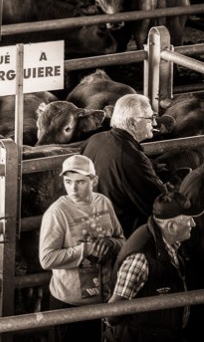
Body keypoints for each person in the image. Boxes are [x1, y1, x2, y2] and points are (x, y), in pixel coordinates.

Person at [40, 154, 125, 342]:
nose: (73, 189)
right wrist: (85, 250)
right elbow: (46, 259)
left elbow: (121, 239)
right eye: (68, 182)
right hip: (70, 303)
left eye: (80, 182)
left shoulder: (103, 202)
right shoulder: (57, 213)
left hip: (104, 298)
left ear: (93, 181)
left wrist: (111, 244)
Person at [107, 191, 200, 342]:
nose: (193, 224)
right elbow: (112, 314)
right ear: (171, 226)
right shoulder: (140, 259)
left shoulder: (170, 241)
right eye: (189, 220)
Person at [83, 94, 166, 237]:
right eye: (149, 119)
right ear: (133, 123)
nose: (154, 124)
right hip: (123, 232)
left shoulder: (95, 140)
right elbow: (158, 203)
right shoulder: (131, 157)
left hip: (93, 226)